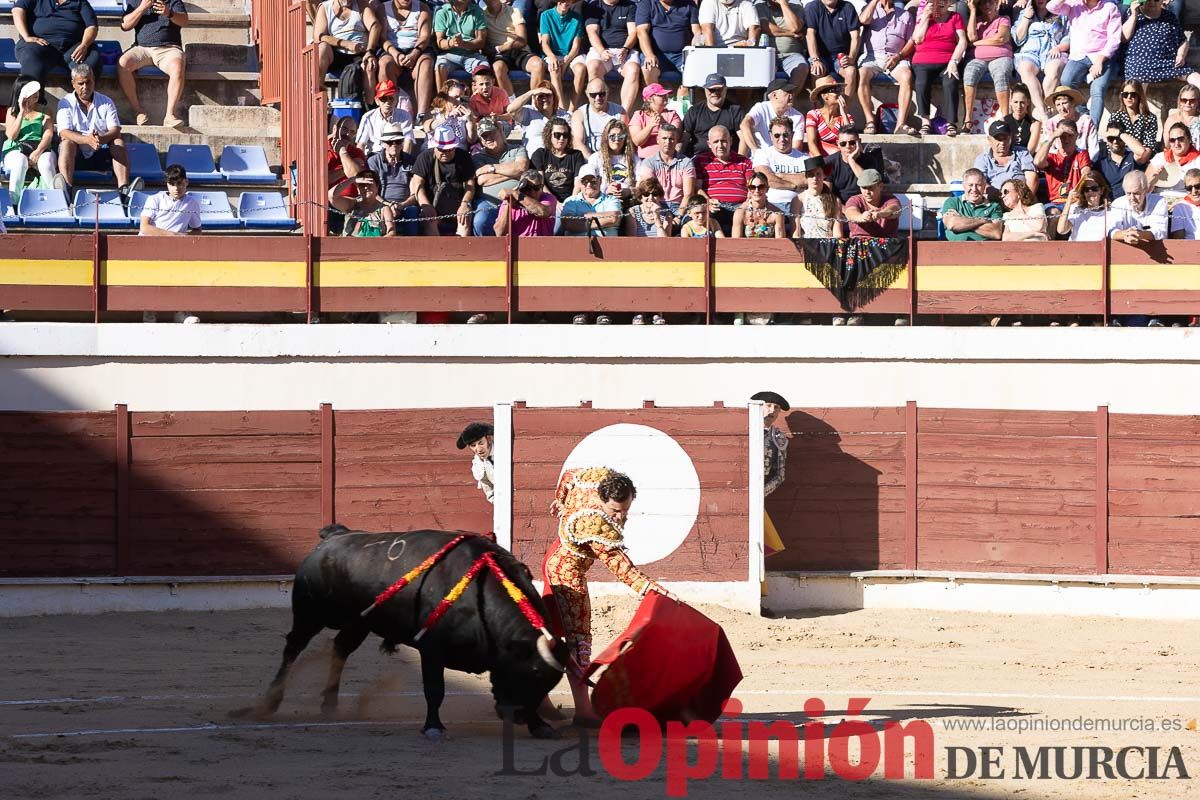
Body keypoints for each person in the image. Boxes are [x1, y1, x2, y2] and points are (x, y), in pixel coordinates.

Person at [541, 467, 668, 725]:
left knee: (554, 635)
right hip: (566, 574)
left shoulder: (598, 478)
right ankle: (583, 711)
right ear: (601, 500)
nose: (620, 518)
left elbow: (569, 475)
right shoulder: (594, 524)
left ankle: (540, 699)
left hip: (555, 560)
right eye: (615, 512)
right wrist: (656, 591)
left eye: (625, 511)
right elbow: (622, 568)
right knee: (578, 639)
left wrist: (560, 499)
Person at [52, 66, 143, 201]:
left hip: (101, 151)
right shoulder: (65, 103)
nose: (85, 87)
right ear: (73, 84)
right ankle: (66, 190)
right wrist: (87, 140)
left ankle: (124, 190)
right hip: (77, 156)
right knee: (66, 144)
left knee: (118, 142)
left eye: (88, 82)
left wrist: (100, 139)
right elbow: (64, 132)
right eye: (80, 83)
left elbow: (115, 129)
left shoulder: (106, 101)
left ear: (94, 81)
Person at [12, 0, 103, 102]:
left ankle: (85, 105)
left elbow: (92, 26)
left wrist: (84, 45)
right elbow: (17, 10)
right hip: (39, 44)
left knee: (89, 64)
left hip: (72, 47)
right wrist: (26, 36)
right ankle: (32, 108)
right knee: (31, 61)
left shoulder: (80, 2)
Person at [1048, 0, 1121, 124]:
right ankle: (1084, 114)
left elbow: (1114, 39)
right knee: (1066, 81)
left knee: (1097, 89)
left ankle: (1092, 128)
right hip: (1079, 56)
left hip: (1102, 56)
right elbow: (1051, 7)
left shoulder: (1110, 7)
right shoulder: (1074, 4)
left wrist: (1100, 60)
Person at [118, 0, 189, 129]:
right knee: (123, 63)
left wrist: (169, 13)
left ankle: (170, 115)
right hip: (142, 48)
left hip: (168, 48)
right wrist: (142, 7)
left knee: (177, 67)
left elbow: (184, 21)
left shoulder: (173, 1)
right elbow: (125, 25)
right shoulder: (135, 1)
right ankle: (139, 111)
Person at [857, 0, 917, 136]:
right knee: (861, 74)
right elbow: (863, 20)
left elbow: (911, 41)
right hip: (872, 56)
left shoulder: (905, 15)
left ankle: (900, 124)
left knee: (907, 76)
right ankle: (869, 121)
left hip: (896, 57)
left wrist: (898, 56)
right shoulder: (870, 10)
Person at [911, 0, 967, 137]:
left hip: (947, 59)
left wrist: (954, 61)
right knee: (921, 82)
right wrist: (925, 17)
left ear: (948, 5)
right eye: (934, 5)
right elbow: (917, 39)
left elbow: (962, 41)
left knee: (950, 80)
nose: (937, 9)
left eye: (941, 6)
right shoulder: (924, 17)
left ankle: (951, 123)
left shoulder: (955, 17)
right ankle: (925, 122)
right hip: (923, 59)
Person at [411, 125, 476, 236]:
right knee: (429, 219)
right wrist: (425, 205)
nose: (445, 153)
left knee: (465, 219)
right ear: (435, 147)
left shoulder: (464, 157)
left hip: (458, 204)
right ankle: (437, 251)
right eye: (441, 150)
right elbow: (417, 183)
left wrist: (465, 204)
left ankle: (462, 252)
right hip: (433, 206)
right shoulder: (425, 157)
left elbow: (470, 185)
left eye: (449, 150)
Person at [1122, 0, 1199, 91]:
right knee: (1137, 88)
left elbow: (1183, 40)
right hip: (1140, 63)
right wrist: (1134, 15)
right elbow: (1124, 38)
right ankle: (1140, 105)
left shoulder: (1169, 16)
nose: (1152, 3)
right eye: (1148, 0)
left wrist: (1181, 54)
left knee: (1195, 77)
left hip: (1168, 62)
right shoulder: (1133, 13)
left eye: (1156, 0)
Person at [377, 0, 434, 119]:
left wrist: (414, 53)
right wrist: (395, 53)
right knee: (384, 63)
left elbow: (424, 36)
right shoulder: (383, 9)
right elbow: (382, 38)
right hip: (393, 50)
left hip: (416, 49)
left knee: (426, 63)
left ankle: (421, 114)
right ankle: (389, 111)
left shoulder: (422, 8)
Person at [472, 116, 529, 236]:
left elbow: (521, 168)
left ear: (500, 132)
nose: (488, 138)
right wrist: (513, 174)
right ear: (481, 140)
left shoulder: (517, 149)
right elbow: (482, 180)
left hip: (518, 200)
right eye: (484, 136)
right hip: (489, 202)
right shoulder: (478, 157)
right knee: (480, 222)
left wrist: (490, 168)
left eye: (491, 133)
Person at [1012, 0, 1067, 122]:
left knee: (1053, 72)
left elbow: (1068, 36)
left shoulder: (1061, 12)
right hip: (1030, 52)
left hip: (1053, 50)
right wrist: (1027, 17)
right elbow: (1018, 39)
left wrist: (1059, 47)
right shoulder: (1023, 12)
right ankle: (1042, 112)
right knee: (1026, 70)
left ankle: (1049, 108)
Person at [584, 0, 642, 114]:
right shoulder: (594, 6)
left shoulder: (630, 5)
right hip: (601, 49)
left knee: (633, 70)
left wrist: (626, 48)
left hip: (625, 49)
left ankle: (623, 114)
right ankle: (600, 111)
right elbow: (592, 32)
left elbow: (633, 32)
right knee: (593, 67)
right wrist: (601, 51)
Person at [695, 125, 755, 235]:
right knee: (705, 215)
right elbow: (697, 189)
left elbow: (752, 187)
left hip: (740, 206)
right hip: (715, 205)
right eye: (716, 142)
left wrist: (746, 204)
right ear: (709, 144)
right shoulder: (701, 161)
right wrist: (707, 201)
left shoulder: (744, 161)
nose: (720, 145)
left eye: (724, 141)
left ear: (731, 141)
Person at [315, 0, 380, 100]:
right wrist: (346, 44)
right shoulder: (325, 7)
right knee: (322, 48)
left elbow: (375, 26)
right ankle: (318, 93)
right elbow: (319, 37)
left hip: (360, 53)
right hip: (336, 53)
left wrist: (369, 52)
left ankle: (370, 106)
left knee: (369, 64)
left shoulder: (361, 4)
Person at [480, 0, 545, 100]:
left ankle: (535, 104)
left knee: (538, 64)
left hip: (518, 50)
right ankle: (512, 104)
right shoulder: (481, 16)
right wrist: (500, 49)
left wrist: (503, 47)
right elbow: (483, 45)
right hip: (499, 55)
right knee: (498, 68)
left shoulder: (514, 11)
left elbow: (522, 40)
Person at [962, 0, 1013, 127]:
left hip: (1000, 56)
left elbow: (1001, 38)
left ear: (997, 4)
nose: (986, 5)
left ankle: (1005, 118)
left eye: (990, 2)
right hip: (977, 58)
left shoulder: (1003, 19)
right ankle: (968, 119)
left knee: (1001, 73)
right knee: (969, 73)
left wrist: (977, 43)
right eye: (982, 3)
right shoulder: (976, 21)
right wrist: (973, 10)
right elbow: (971, 37)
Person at [3, 81, 56, 197]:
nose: (36, 93)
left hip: (40, 148)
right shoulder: (12, 111)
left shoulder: (45, 110)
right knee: (20, 162)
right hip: (16, 149)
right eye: (31, 91)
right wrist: (21, 112)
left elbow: (48, 134)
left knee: (46, 164)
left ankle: (56, 200)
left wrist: (38, 152)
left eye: (36, 90)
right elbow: (12, 136)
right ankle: (14, 202)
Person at [368, 122, 420, 234]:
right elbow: (372, 192)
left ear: (402, 143)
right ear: (383, 143)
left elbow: (415, 191)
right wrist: (388, 206)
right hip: (380, 204)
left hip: (406, 204)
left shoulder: (411, 160)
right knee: (375, 213)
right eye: (390, 142)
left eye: (398, 141)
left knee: (412, 211)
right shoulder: (374, 161)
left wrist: (401, 205)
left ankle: (413, 248)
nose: (394, 145)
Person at [804, 0, 861, 102]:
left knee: (851, 71)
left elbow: (856, 36)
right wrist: (815, 59)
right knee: (816, 70)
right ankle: (818, 112)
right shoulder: (812, 7)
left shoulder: (847, 7)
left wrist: (851, 58)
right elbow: (810, 34)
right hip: (820, 56)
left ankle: (844, 113)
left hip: (841, 56)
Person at [636, 0, 700, 84]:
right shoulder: (646, 3)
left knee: (695, 69)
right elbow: (641, 31)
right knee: (648, 68)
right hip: (656, 53)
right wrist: (649, 54)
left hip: (682, 54)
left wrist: (694, 53)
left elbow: (697, 32)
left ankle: (682, 95)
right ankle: (655, 95)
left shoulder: (689, 4)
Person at [822, 125, 892, 203]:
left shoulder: (869, 160)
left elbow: (868, 183)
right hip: (838, 207)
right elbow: (827, 194)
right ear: (838, 144)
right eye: (843, 144)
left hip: (863, 206)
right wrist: (845, 210)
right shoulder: (829, 162)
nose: (848, 146)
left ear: (859, 142)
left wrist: (851, 161)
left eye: (852, 143)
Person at [751, 116, 808, 211]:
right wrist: (794, 186)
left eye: (785, 135)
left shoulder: (805, 158)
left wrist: (779, 175)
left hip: (801, 206)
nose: (782, 139)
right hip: (771, 205)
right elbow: (767, 180)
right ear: (770, 135)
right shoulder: (762, 154)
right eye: (777, 135)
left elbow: (807, 180)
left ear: (792, 134)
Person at [634, 123, 695, 210]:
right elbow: (648, 190)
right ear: (657, 140)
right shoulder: (648, 163)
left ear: (677, 140)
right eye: (664, 138)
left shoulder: (686, 162)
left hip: (679, 206)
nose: (668, 142)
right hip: (656, 205)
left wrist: (679, 216)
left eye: (671, 139)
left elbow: (688, 194)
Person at [539, 0, 586, 110]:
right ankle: (561, 109)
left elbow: (576, 46)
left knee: (581, 69)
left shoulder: (577, 17)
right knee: (555, 69)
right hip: (552, 53)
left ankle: (572, 109)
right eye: (562, 0)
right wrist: (552, 57)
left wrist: (566, 61)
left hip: (571, 55)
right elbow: (545, 43)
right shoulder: (546, 15)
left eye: (568, 0)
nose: (565, 3)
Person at [683, 74, 746, 157]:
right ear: (705, 90)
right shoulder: (694, 111)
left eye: (719, 89)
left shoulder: (735, 111)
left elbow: (744, 138)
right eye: (711, 90)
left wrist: (740, 160)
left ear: (725, 89)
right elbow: (684, 139)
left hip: (728, 161)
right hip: (698, 160)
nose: (715, 93)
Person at [1035, 118, 1093, 208]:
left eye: (1070, 135)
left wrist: (1075, 195)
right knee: (1052, 212)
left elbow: (1086, 174)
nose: (1066, 140)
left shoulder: (1082, 153)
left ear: (1077, 135)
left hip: (1075, 201)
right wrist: (1052, 137)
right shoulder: (1051, 155)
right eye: (1062, 136)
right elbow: (1037, 162)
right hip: (1055, 203)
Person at [974, 119, 1038, 197]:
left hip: (1022, 199)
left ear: (1011, 138)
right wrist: (1000, 197)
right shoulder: (982, 159)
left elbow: (1032, 178)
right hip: (995, 201)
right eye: (998, 139)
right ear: (989, 139)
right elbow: (980, 182)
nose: (1002, 143)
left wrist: (1025, 201)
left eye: (1005, 138)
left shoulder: (1023, 153)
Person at [434, 0, 487, 90]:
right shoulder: (442, 12)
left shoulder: (477, 11)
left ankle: (479, 102)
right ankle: (442, 101)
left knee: (483, 69)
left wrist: (464, 44)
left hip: (472, 54)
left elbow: (481, 42)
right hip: (448, 54)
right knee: (440, 67)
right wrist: (451, 43)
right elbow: (440, 42)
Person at [762, 0, 810, 98]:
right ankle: (771, 105)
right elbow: (766, 27)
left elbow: (795, 27)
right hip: (768, 55)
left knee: (802, 68)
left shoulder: (796, 7)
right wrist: (791, 34)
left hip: (792, 55)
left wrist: (783, 4)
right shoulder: (760, 7)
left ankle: (787, 102)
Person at [741, 79, 805, 153]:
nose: (792, 95)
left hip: (785, 159)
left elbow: (796, 149)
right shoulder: (761, 108)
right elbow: (744, 125)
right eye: (788, 92)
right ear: (774, 95)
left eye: (792, 92)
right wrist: (756, 151)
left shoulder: (798, 116)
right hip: (762, 158)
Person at [532, 117, 586, 203]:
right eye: (557, 135)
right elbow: (541, 185)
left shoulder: (576, 155)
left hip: (572, 200)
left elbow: (578, 185)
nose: (561, 138)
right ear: (549, 135)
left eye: (565, 135)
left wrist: (570, 203)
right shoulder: (540, 154)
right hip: (547, 199)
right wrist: (555, 203)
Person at [139, 163, 200, 236]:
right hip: (150, 241)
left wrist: (183, 237)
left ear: (186, 182)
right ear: (167, 184)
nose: (176, 188)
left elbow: (197, 230)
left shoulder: (191, 203)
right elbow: (144, 227)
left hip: (175, 244)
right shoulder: (155, 199)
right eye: (172, 184)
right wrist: (172, 235)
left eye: (179, 183)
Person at [941, 168, 1003, 240]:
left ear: (984, 186)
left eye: (978, 185)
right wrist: (983, 220)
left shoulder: (994, 206)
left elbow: (996, 233)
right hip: (956, 249)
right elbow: (952, 224)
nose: (974, 189)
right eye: (970, 185)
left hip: (985, 249)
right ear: (964, 185)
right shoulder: (952, 202)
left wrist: (962, 222)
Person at [331, 168, 396, 236]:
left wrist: (376, 244)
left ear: (377, 187)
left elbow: (391, 232)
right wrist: (352, 180)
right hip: (350, 245)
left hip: (375, 245)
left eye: (369, 184)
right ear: (358, 189)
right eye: (362, 185)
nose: (366, 187)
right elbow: (331, 197)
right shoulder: (351, 204)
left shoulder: (384, 209)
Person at [1108, 170, 1168, 245]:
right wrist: (1126, 235)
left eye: (1136, 193)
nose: (1132, 198)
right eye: (1128, 193)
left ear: (1145, 190)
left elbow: (1161, 232)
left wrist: (1140, 234)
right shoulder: (1117, 204)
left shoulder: (1159, 202)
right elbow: (1110, 231)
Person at [585, 117, 638, 201]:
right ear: (606, 137)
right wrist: (606, 191)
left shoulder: (633, 158)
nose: (616, 140)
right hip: (602, 201)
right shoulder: (595, 158)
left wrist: (629, 191)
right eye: (612, 136)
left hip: (628, 201)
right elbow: (588, 188)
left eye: (621, 136)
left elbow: (642, 185)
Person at [571, 79, 626, 157]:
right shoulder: (580, 114)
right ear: (587, 94)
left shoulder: (620, 112)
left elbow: (624, 139)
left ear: (607, 93)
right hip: (589, 158)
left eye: (601, 94)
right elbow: (578, 144)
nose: (598, 98)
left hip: (615, 157)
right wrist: (593, 161)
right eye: (593, 95)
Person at [1096, 122, 1151, 200]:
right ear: (1106, 140)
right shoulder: (1101, 164)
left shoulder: (1132, 157)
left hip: (1134, 202)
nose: (1115, 141)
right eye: (1111, 138)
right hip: (1112, 207)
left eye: (1119, 138)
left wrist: (1120, 134)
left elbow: (1142, 152)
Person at [508, 86, 569, 156]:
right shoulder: (529, 112)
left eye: (548, 95)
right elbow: (511, 110)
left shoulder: (563, 115)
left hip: (558, 157)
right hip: (534, 160)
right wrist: (531, 92)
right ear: (535, 99)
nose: (544, 99)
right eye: (541, 96)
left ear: (554, 97)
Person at [358, 79, 415, 154]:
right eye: (383, 99)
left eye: (391, 98)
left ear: (396, 100)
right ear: (377, 101)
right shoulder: (368, 117)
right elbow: (361, 144)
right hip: (374, 156)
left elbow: (408, 141)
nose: (388, 102)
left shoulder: (404, 116)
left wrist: (404, 162)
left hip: (396, 155)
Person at [792, 155, 843, 238]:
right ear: (806, 177)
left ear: (824, 175)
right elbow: (796, 233)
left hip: (827, 245)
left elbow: (838, 233)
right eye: (811, 175)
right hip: (806, 245)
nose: (815, 178)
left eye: (818, 174)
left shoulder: (834, 200)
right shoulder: (798, 200)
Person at [495, 168, 557, 236]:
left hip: (542, 244)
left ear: (541, 188)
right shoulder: (511, 199)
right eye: (527, 188)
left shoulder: (548, 198)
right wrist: (509, 204)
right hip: (518, 245)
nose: (532, 192)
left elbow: (543, 212)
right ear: (521, 188)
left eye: (536, 188)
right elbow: (499, 233)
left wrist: (516, 194)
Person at [1044, 85, 1099, 160]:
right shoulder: (1051, 123)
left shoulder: (1086, 120)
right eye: (1058, 105)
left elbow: (1093, 148)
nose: (1062, 108)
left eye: (1064, 103)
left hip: (1083, 161)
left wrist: (1088, 165)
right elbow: (1049, 149)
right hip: (1059, 162)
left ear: (1073, 103)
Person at [561, 169, 622, 236]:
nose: (589, 184)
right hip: (576, 245)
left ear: (600, 180)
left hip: (607, 245)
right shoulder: (571, 201)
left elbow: (613, 218)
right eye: (585, 181)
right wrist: (603, 219)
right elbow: (568, 223)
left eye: (593, 181)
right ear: (579, 183)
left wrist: (585, 216)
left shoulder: (611, 200)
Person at [843, 167, 900, 238]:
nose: (867, 192)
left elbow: (894, 208)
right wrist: (862, 217)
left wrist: (880, 214)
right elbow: (850, 212)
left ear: (880, 186)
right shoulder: (854, 200)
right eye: (864, 188)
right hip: (859, 243)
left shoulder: (890, 199)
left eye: (871, 188)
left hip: (887, 243)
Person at [629, 83, 681, 159]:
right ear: (649, 99)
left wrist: (663, 123)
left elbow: (676, 137)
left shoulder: (672, 114)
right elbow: (636, 141)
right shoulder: (638, 115)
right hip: (644, 159)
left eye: (665, 95)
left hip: (668, 158)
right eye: (661, 95)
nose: (665, 97)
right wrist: (651, 125)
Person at [1147, 122, 1200, 195]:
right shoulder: (1159, 158)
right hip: (1159, 199)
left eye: (1181, 139)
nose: (1176, 144)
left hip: (1186, 200)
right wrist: (1153, 179)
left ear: (1189, 139)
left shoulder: (1197, 160)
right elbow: (1143, 189)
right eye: (1172, 140)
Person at [805, 76, 852, 157]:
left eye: (839, 89)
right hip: (819, 156)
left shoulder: (846, 117)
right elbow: (811, 142)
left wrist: (844, 113)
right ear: (824, 96)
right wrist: (820, 161)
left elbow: (850, 139)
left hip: (841, 158)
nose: (839, 93)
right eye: (834, 90)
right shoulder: (813, 115)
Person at [1054, 175, 1110, 241]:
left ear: (1101, 190)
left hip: (1099, 249)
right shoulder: (1076, 208)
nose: (1090, 192)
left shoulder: (1110, 211)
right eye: (1086, 189)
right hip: (1077, 249)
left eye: (1094, 188)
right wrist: (1068, 202)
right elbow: (1061, 230)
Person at [422, 79, 475, 149]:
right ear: (446, 97)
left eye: (461, 98)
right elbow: (427, 128)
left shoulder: (466, 115)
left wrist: (470, 121)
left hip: (458, 151)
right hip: (435, 149)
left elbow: (472, 140)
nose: (458, 101)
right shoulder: (434, 112)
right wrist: (447, 116)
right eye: (455, 97)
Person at [733, 172, 787, 238]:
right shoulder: (740, 213)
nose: (757, 190)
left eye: (761, 187)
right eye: (752, 187)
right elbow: (735, 241)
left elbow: (781, 242)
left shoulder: (777, 214)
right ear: (749, 189)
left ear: (767, 189)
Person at [456, 422, 495, 504]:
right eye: (473, 445)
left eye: (481, 443)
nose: (479, 449)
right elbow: (489, 491)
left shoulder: (501, 449)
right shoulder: (478, 464)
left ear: (488, 439)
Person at [1004, 83, 1042, 153]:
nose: (1019, 106)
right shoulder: (1003, 121)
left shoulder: (1035, 124)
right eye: (1015, 102)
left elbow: (1030, 152)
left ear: (1028, 102)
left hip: (1026, 160)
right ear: (1011, 102)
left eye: (1022, 102)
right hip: (1007, 159)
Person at [1163, 85, 1200, 152]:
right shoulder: (1172, 119)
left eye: (1192, 100)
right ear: (1179, 101)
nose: (1188, 103)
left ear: (1198, 101)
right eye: (1184, 100)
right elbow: (1167, 145)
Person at [1168, 168, 1200, 239]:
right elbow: (1178, 237)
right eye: (1189, 188)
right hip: (1191, 247)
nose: (1194, 191)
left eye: (1198, 186)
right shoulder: (1180, 207)